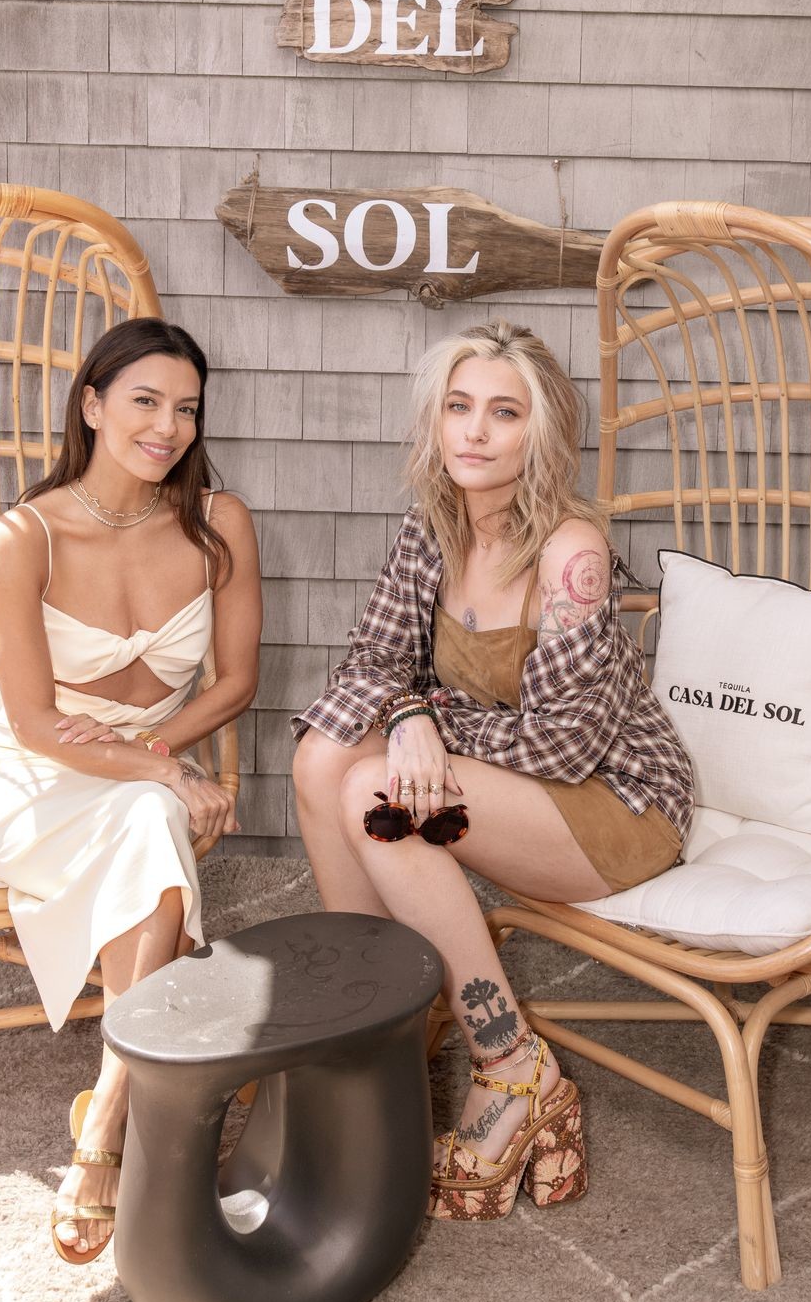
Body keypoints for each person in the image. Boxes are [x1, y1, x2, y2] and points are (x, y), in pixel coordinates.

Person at [292, 319, 693, 1221]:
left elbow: (564, 747)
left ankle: (512, 1064)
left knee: (380, 794)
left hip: (617, 804)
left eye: (504, 413)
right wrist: (406, 715)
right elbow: (369, 663)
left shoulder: (569, 555)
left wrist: (426, 719)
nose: (474, 431)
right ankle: (374, 1033)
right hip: (512, 788)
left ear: (540, 433)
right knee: (324, 756)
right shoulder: (431, 529)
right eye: (458, 407)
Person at [0, 318, 262, 1264]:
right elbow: (32, 722)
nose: (168, 426)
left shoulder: (218, 522)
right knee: (155, 811)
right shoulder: (27, 534)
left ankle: (106, 1120)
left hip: (140, 770)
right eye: (145, 401)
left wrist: (155, 751)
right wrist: (163, 770)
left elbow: (236, 683)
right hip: (39, 775)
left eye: (186, 409)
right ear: (92, 405)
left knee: (148, 816)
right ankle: (126, 1115)